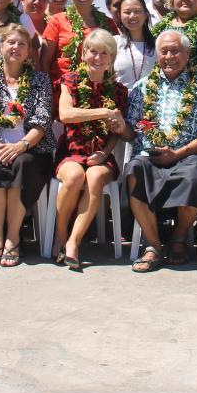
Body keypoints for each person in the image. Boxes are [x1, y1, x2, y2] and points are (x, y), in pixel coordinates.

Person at [124, 31, 197, 272]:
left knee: (196, 176)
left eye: (176, 51)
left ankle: (179, 237)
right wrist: (120, 127)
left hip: (189, 155)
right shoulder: (141, 88)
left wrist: (178, 154)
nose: (169, 56)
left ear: (187, 54)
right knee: (134, 170)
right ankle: (154, 245)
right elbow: (133, 129)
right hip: (150, 155)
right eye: (164, 51)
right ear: (157, 54)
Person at [0, 25, 54, 267]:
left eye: (22, 44)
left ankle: (13, 238)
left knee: (21, 164)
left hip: (31, 148)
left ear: (29, 50)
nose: (16, 48)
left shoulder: (40, 80)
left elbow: (41, 122)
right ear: (1, 47)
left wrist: (20, 146)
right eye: (11, 42)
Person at [54, 29, 129, 270]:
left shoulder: (119, 91)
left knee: (95, 176)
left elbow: (119, 134)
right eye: (93, 51)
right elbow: (66, 115)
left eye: (104, 53)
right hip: (72, 150)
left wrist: (106, 152)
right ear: (84, 54)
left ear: (111, 57)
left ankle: (73, 243)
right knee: (75, 175)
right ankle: (61, 234)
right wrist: (105, 112)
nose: (98, 57)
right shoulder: (71, 81)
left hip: (101, 155)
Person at [41, 0, 118, 86]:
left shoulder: (108, 24)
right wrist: (47, 92)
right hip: (61, 91)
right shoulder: (57, 21)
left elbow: (114, 61)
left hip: (98, 92)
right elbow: (45, 62)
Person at [113, 0, 156, 88]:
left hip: (151, 101)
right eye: (127, 12)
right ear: (120, 15)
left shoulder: (157, 44)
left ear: (146, 14)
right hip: (121, 101)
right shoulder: (114, 42)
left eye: (137, 11)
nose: (132, 16)